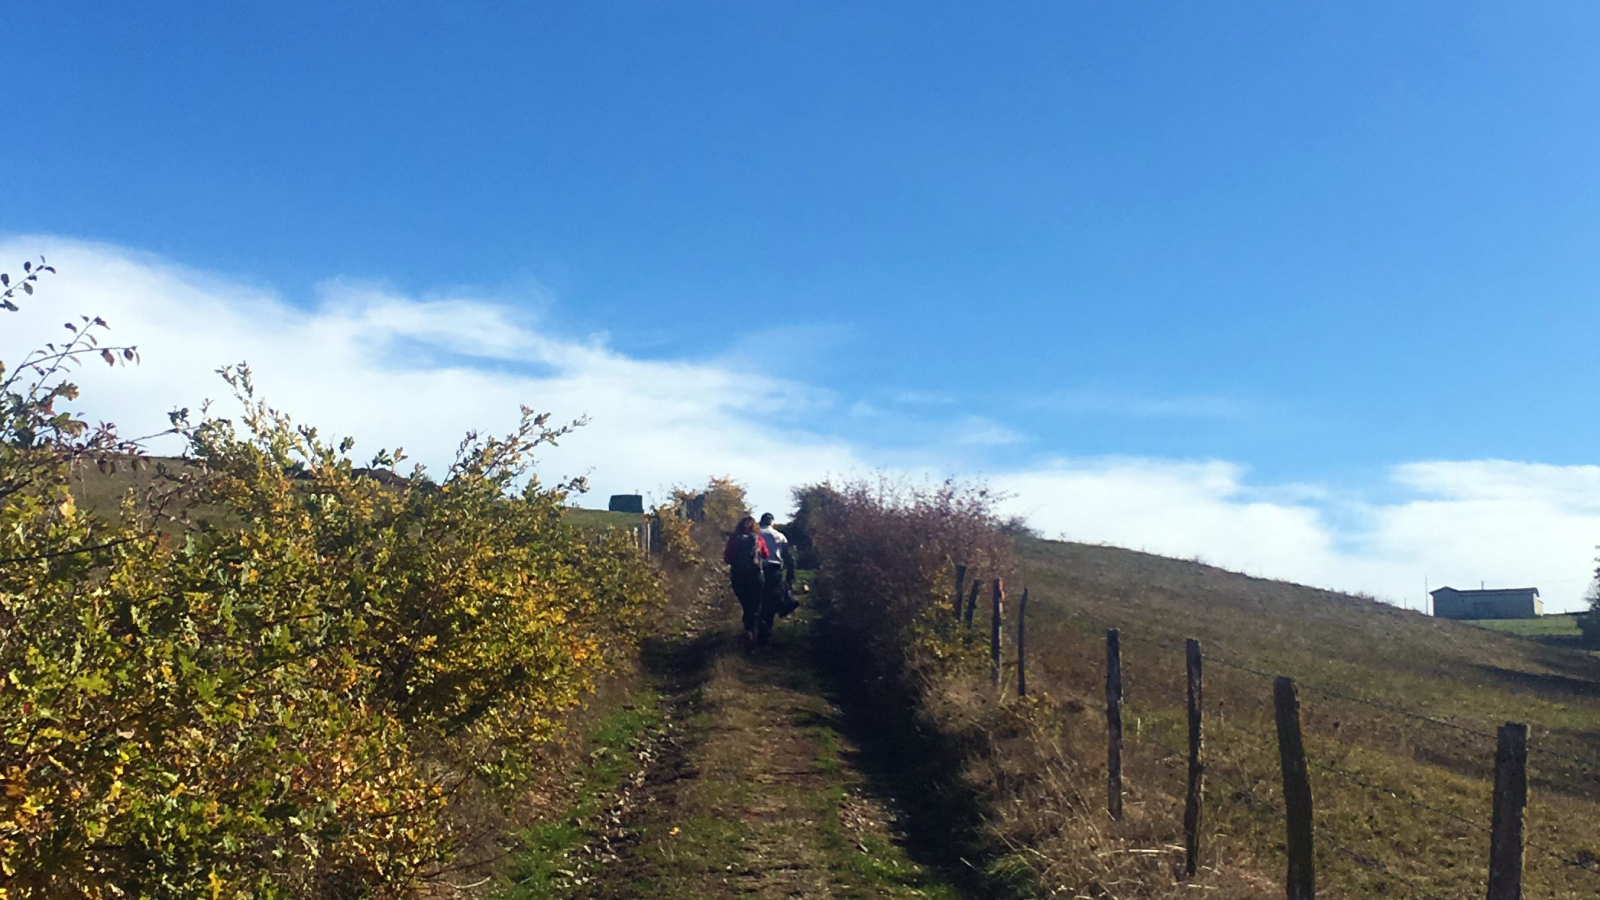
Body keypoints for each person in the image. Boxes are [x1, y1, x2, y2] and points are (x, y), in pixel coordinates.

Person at [723, 515, 769, 650]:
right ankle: (750, 632)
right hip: (755, 575)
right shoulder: (757, 538)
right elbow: (765, 554)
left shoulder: (734, 538)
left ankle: (747, 630)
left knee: (746, 603)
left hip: (738, 576)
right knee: (754, 605)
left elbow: (727, 558)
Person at [757, 513, 797, 639]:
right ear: (772, 522)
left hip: (757, 570)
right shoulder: (780, 536)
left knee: (758, 600)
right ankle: (767, 628)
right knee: (773, 599)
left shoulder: (755, 535)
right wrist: (790, 577)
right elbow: (789, 558)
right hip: (774, 571)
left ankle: (755, 629)